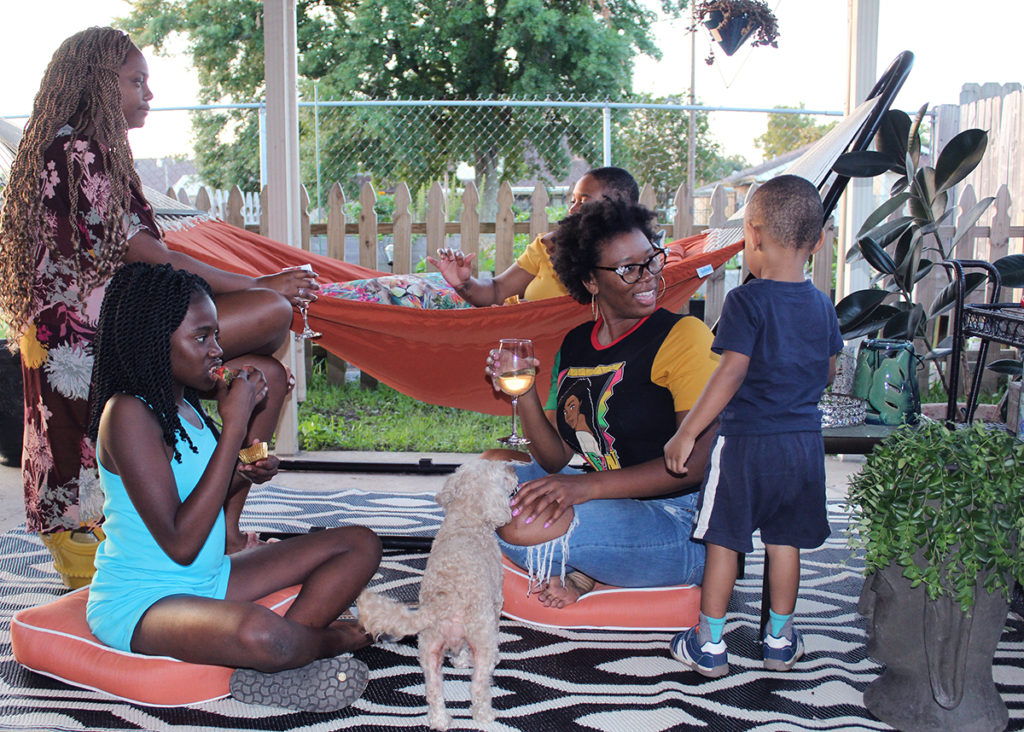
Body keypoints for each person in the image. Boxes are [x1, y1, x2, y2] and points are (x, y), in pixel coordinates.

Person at [0, 27, 319, 582]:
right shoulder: (76, 148)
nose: (149, 93)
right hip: (94, 332)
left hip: (120, 318)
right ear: (99, 83)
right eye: (136, 81)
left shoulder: (98, 149)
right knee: (270, 314)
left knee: (268, 373)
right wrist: (262, 282)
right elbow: (148, 254)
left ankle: (225, 533)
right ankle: (212, 528)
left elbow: (148, 253)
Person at [86, 262, 381, 711]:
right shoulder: (126, 414)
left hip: (209, 579)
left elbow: (200, 496)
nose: (218, 350)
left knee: (361, 544)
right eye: (201, 338)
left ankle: (281, 657)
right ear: (152, 341)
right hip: (146, 599)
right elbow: (180, 542)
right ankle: (324, 642)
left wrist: (245, 471)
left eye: (216, 336)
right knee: (263, 633)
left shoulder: (182, 404)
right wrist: (235, 426)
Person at [485, 198, 719, 607]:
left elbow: (696, 465)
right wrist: (521, 395)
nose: (648, 277)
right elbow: (557, 457)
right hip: (606, 500)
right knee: (486, 474)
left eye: (651, 260)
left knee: (516, 528)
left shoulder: (685, 337)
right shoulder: (576, 344)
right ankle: (592, 565)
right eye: (628, 268)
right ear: (591, 282)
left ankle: (587, 569)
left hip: (680, 521)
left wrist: (583, 488)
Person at [663, 174, 842, 678]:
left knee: (725, 541)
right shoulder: (822, 304)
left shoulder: (747, 301)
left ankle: (711, 645)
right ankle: (779, 642)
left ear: (754, 236)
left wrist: (687, 433)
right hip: (803, 447)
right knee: (785, 542)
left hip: (745, 447)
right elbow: (827, 371)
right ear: (819, 240)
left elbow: (731, 371)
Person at [427, 167, 640, 305]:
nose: (573, 210)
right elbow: (497, 290)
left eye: (583, 201)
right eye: (572, 201)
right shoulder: (548, 246)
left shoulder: (642, 262)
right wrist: (464, 284)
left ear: (620, 202)